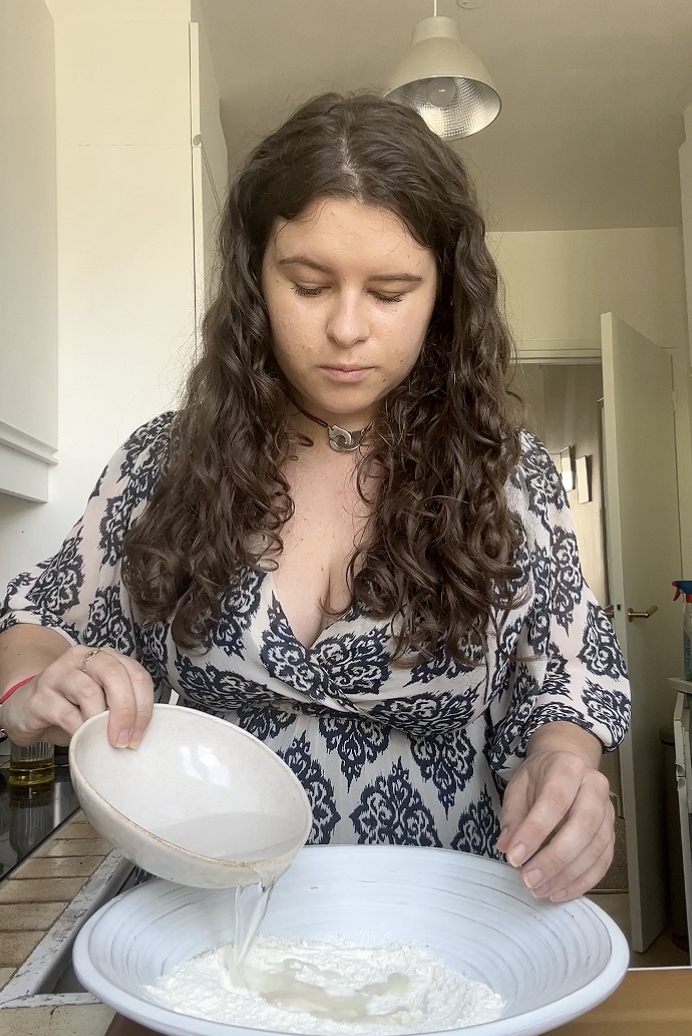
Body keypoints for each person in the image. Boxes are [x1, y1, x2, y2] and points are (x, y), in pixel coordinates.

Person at [0, 93, 629, 904]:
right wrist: (30, 685)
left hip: (449, 926)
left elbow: (567, 676)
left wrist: (563, 761)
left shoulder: (510, 477)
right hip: (212, 920)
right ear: (257, 276)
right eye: (308, 283)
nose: (346, 329)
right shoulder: (167, 462)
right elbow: (37, 624)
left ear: (444, 298)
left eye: (392, 292)